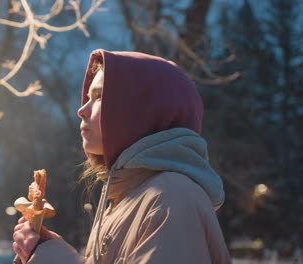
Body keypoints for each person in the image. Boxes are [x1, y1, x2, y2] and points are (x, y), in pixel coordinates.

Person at [12, 49, 231, 264]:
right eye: (88, 97)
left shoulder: (170, 196)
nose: (82, 110)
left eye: (98, 98)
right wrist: (47, 253)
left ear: (141, 111)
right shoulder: (128, 198)